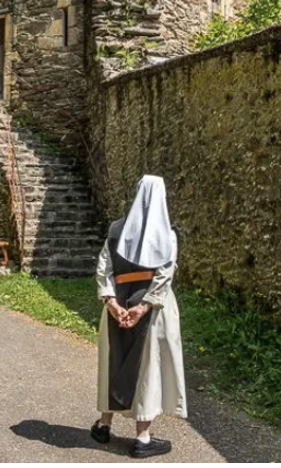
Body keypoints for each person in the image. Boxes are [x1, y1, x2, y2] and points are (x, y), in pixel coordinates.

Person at [92, 174, 187, 458]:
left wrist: (112, 303)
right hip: (152, 311)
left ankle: (103, 425)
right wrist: (142, 307)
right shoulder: (166, 233)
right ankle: (143, 438)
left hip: (118, 303)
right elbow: (163, 275)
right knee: (149, 368)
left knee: (114, 361)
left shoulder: (116, 229)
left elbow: (103, 268)